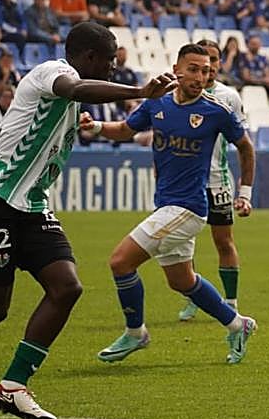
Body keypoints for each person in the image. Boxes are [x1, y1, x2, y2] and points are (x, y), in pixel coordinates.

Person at [0, 23, 173, 419]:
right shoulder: (50, 72)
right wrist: (140, 92)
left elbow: (80, 111)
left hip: (32, 206)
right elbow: (76, 90)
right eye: (110, 62)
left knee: (67, 286)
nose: (114, 69)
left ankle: (14, 385)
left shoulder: (76, 100)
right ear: (90, 58)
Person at [84, 44, 258, 366]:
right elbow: (125, 130)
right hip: (165, 204)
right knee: (181, 280)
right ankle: (238, 323)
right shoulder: (157, 102)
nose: (200, 76)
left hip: (188, 208)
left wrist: (244, 192)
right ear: (176, 68)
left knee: (121, 262)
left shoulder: (216, 110)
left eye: (205, 71)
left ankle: (136, 333)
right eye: (193, 69)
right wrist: (95, 127)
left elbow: (246, 148)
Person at [176, 41, 250, 322]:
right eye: (206, 61)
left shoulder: (228, 97)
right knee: (183, 242)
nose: (212, 66)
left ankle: (230, 300)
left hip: (218, 182)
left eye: (216, 60)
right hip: (186, 183)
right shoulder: (178, 94)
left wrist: (245, 190)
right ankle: (194, 298)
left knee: (223, 240)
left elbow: (244, 142)